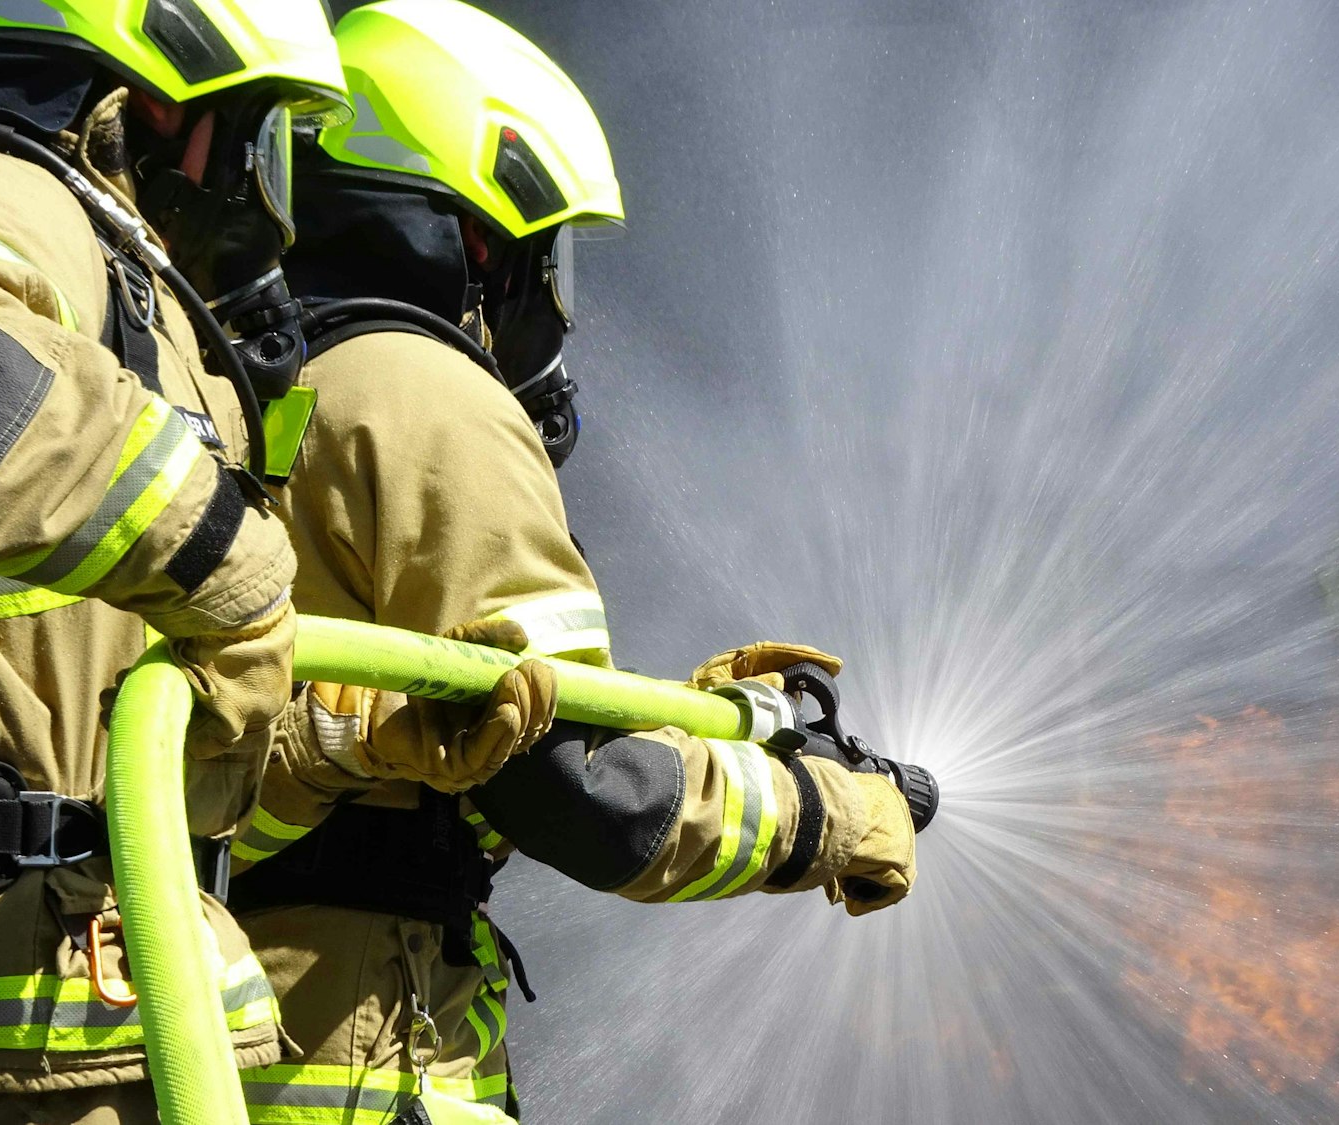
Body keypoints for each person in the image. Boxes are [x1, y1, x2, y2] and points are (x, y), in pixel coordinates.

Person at [222, 4, 916, 1122]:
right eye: (549, 261)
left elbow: (437, 739)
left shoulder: (272, 384)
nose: (553, 310)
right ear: (479, 239)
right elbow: (573, 792)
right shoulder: (430, 396)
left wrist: (688, 719)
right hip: (351, 1056)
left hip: (220, 1027)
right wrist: (825, 810)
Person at [0, 2, 350, 1120]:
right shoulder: (9, 197)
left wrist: (335, 740)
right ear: (165, 103)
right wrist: (238, 573)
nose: (265, 209)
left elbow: (63, 689)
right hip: (21, 1036)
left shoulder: (111, 273)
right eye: (258, 140)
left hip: (76, 1023)